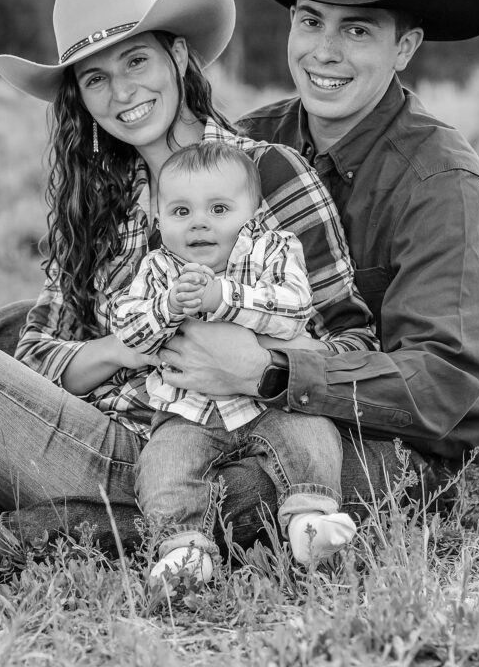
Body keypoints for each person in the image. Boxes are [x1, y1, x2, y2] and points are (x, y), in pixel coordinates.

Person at [0, 0, 371, 563]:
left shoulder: (267, 172)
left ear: (178, 58)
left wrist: (258, 360)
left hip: (171, 448)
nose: (123, 93)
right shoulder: (98, 206)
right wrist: (126, 348)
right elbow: (37, 353)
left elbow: (354, 345)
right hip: (72, 436)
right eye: (95, 79)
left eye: (137, 61)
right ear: (80, 97)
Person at [212, 0, 479, 500]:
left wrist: (270, 370)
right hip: (242, 407)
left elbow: (440, 379)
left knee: (230, 492)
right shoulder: (250, 143)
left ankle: (8, 531)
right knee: (11, 334)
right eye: (310, 20)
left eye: (357, 29)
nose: (324, 51)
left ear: (405, 47)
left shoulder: (442, 182)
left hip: (399, 445)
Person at [113, 141, 374, 579]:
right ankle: (184, 552)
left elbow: (294, 309)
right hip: (188, 413)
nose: (199, 223)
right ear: (159, 220)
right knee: (164, 465)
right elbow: (128, 328)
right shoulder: (158, 269)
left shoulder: (273, 249)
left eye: (218, 209)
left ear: (251, 213)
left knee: (313, 434)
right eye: (180, 212)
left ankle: (309, 521)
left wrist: (223, 298)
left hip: (268, 402)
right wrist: (167, 308)